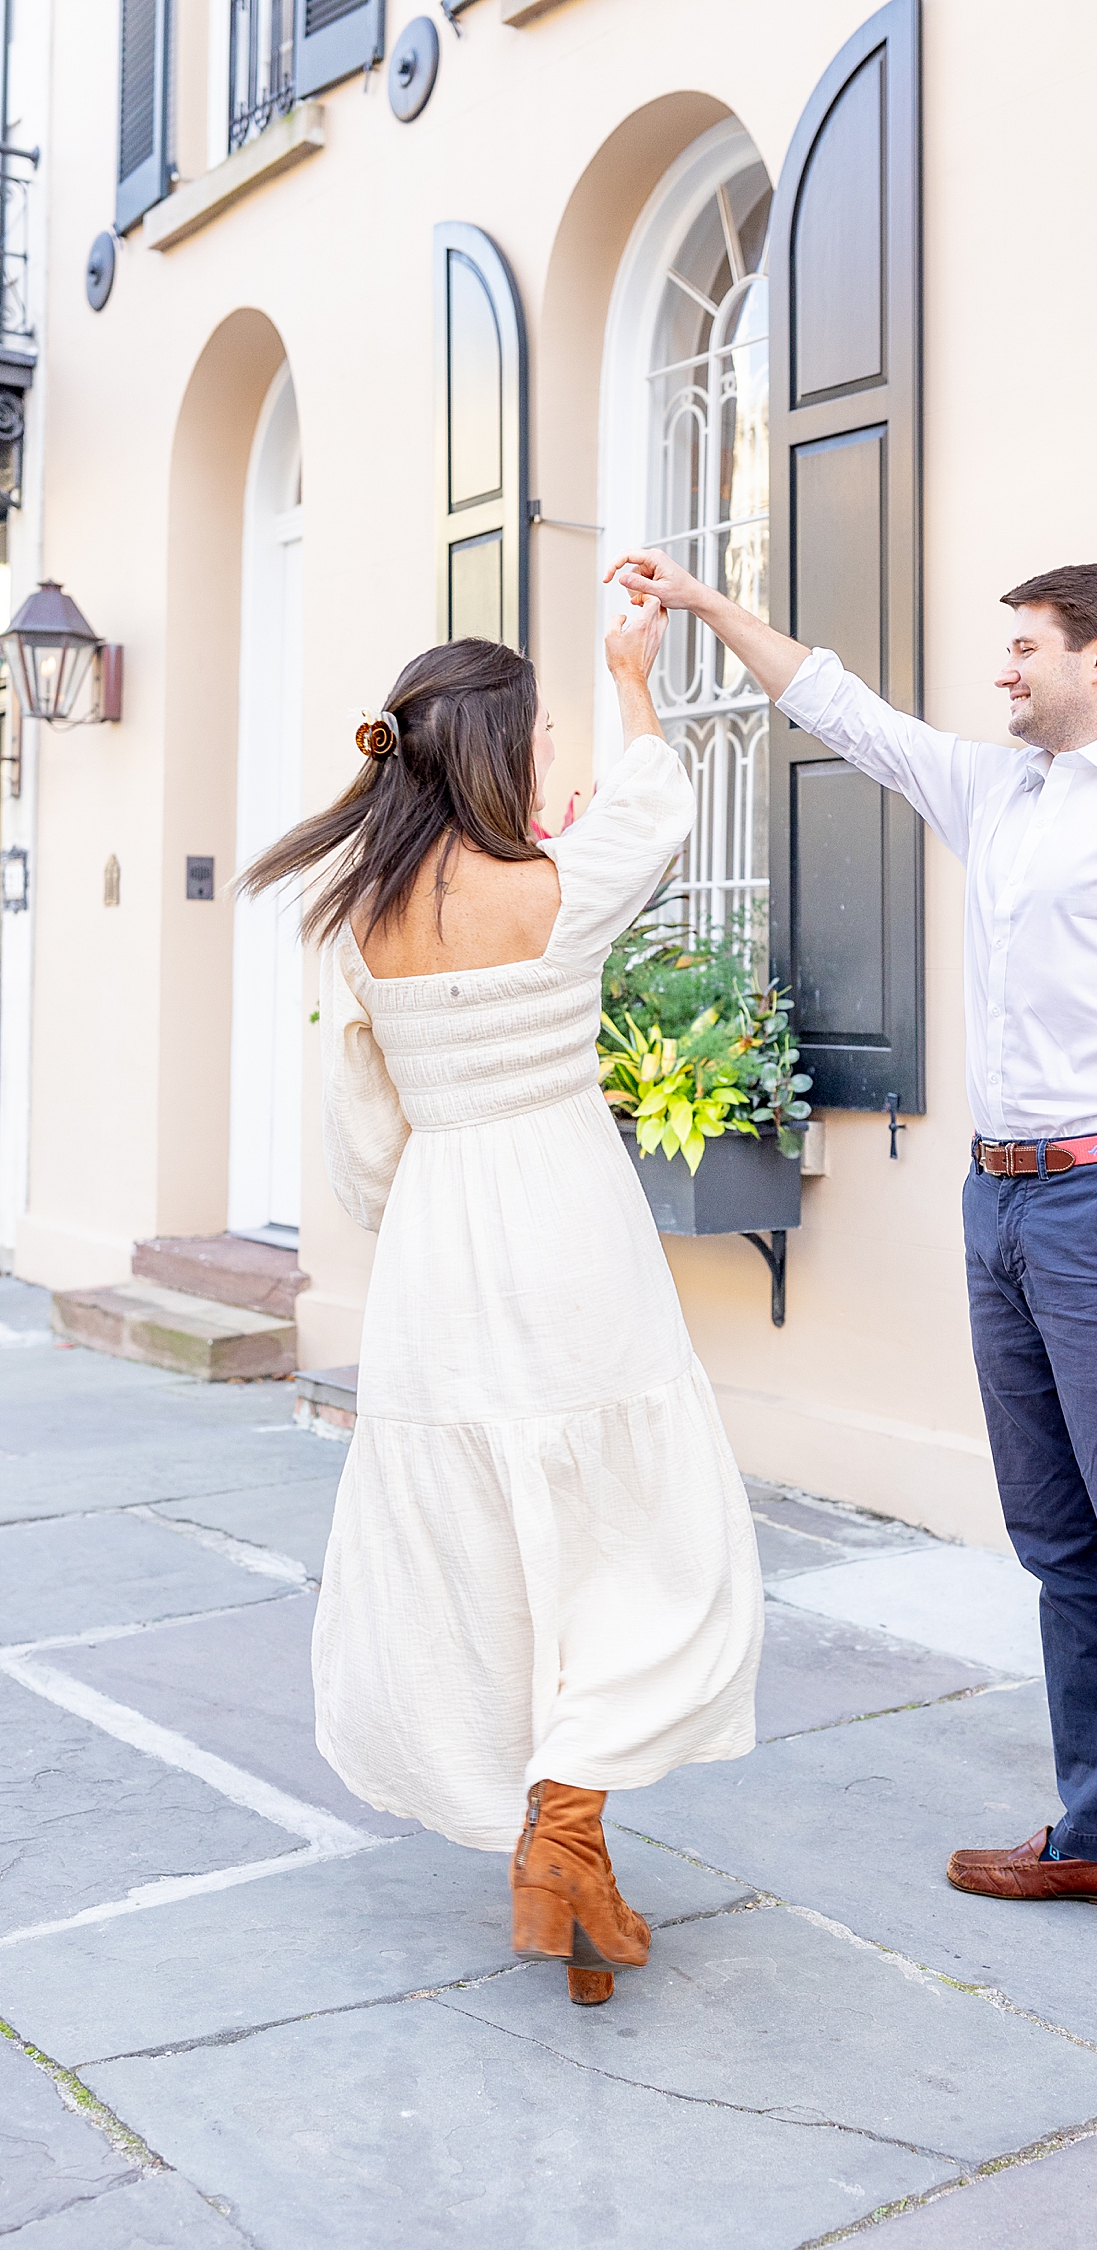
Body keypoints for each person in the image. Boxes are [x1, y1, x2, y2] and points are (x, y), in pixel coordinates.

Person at [603, 549, 1097, 2019]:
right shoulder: (1005, 792)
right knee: (1058, 1542)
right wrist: (718, 614)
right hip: (1004, 1202)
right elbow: (847, 713)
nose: (1005, 671)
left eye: (1027, 646)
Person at [241, 602, 763, 2009]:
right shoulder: (556, 883)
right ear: (495, 753)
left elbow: (364, 1144)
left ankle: (558, 1852)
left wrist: (416, 1207)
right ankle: (569, 1832)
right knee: (634, 1529)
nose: (551, 756)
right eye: (538, 734)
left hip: (441, 1248)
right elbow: (656, 807)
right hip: (569, 1230)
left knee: (478, 1548)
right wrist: (634, 677)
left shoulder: (356, 920)